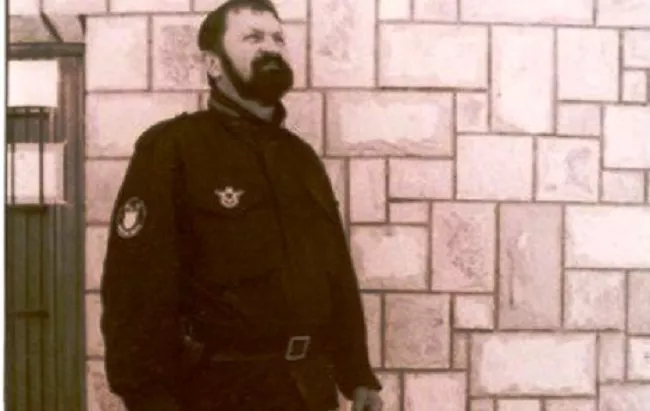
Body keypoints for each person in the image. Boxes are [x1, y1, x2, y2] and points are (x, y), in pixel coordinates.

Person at [99, 1, 383, 410]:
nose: (271, 47)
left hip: (310, 390)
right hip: (219, 392)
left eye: (278, 38)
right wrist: (147, 398)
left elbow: (335, 269)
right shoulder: (173, 148)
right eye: (253, 37)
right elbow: (134, 289)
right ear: (213, 64)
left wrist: (357, 374)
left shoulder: (301, 158)